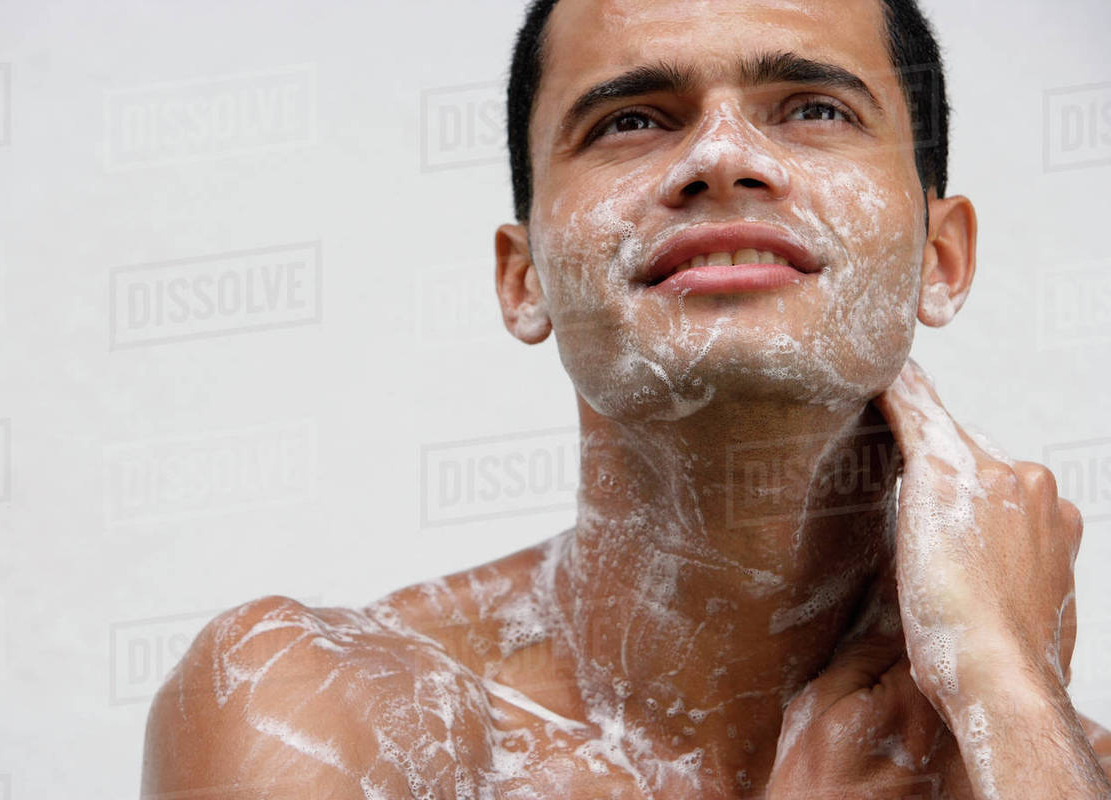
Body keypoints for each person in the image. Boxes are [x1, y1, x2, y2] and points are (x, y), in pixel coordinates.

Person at [141, 0, 1111, 796]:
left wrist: (1009, 690)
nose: (723, 157)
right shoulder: (319, 710)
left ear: (943, 259)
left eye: (815, 108)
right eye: (632, 119)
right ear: (524, 280)